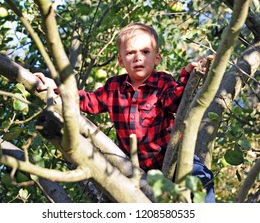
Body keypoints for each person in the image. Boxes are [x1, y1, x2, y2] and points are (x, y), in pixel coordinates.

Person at [35, 23, 215, 202]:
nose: (138, 58)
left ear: (157, 58)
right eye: (130, 53)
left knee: (202, 177)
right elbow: (89, 101)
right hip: (138, 169)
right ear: (121, 60)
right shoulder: (114, 87)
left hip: (172, 156)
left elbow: (176, 102)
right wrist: (57, 88)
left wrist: (188, 75)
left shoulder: (162, 82)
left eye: (145, 52)